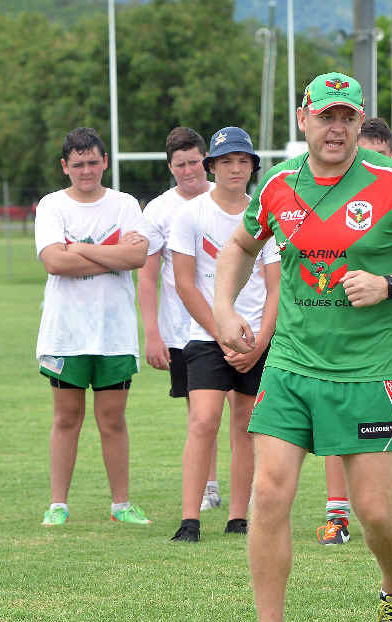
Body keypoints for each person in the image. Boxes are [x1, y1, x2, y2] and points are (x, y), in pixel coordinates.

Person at [213, 73, 392, 622]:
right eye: (325, 116)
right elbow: (240, 247)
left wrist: (389, 285)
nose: (336, 127)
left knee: (373, 510)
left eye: (347, 117)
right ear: (303, 119)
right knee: (269, 493)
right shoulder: (278, 184)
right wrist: (223, 307)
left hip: (367, 371)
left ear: (359, 121)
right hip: (292, 364)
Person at [34, 127, 152, 526]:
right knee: (67, 418)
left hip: (113, 332)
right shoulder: (52, 206)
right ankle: (58, 505)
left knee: (113, 420)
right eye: (78, 164)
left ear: (105, 162)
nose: (86, 170)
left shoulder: (125, 205)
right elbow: (54, 262)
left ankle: (121, 505)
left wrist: (81, 249)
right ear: (65, 166)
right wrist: (112, 254)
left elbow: (137, 258)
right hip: (66, 333)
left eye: (93, 162)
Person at [169, 127, 279, 542]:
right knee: (203, 420)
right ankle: (189, 520)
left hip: (255, 340)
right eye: (226, 161)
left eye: (243, 161)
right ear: (212, 167)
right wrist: (223, 333)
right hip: (207, 335)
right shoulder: (191, 214)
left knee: (247, 424)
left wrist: (259, 342)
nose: (235, 168)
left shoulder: (264, 215)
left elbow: (276, 287)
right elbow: (185, 284)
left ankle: (238, 517)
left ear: (253, 167)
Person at [316, 117, 392, 546]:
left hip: (386, 342)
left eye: (379, 157)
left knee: (386, 438)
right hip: (336, 340)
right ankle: (337, 515)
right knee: (335, 428)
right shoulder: (334, 202)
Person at [140, 127, 230, 513]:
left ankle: (248, 491)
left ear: (206, 162)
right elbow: (147, 276)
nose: (189, 170)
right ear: (170, 167)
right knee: (200, 414)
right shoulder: (159, 210)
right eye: (181, 165)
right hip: (185, 331)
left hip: (238, 323)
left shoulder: (228, 199)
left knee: (243, 411)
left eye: (194, 162)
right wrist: (152, 333)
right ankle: (208, 486)